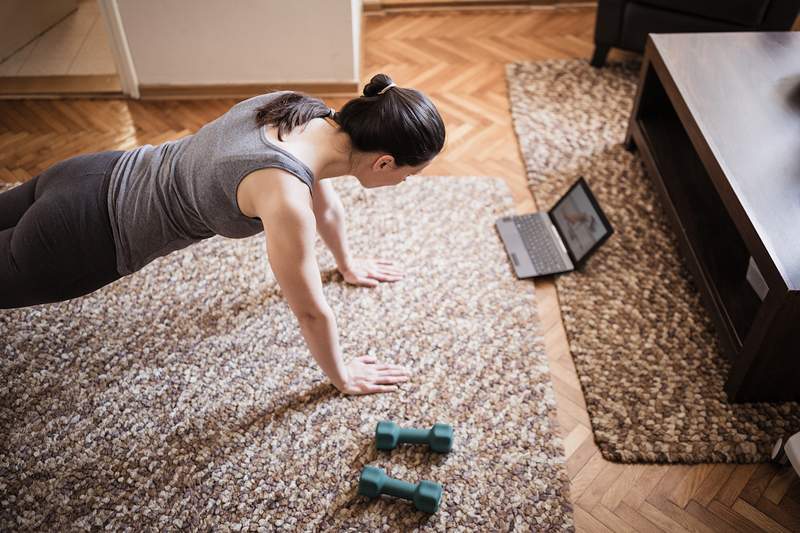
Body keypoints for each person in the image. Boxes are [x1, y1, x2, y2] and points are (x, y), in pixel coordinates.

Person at [0, 73, 447, 396]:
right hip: (81, 239)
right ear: (384, 162)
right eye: (408, 174)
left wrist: (347, 264)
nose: (404, 183)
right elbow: (310, 311)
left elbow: (325, 201)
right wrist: (343, 375)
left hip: (88, 172)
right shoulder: (286, 198)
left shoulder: (302, 111)